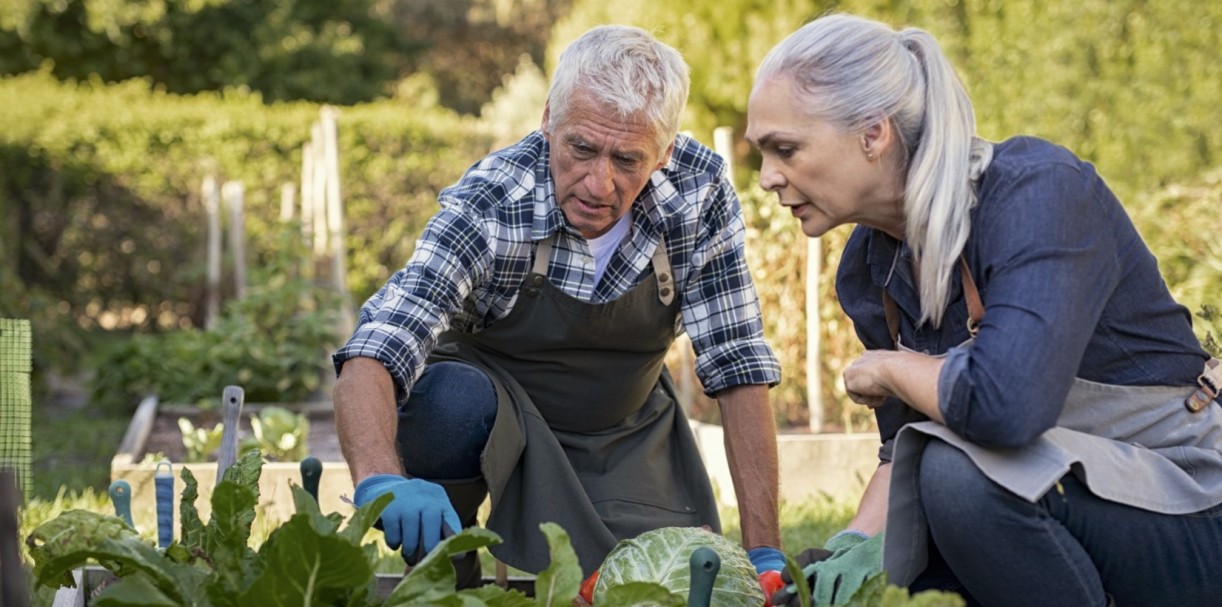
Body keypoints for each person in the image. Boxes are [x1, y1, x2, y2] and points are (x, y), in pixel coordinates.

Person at [746, 13, 1222, 607]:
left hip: (1187, 496)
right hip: (1060, 498)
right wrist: (845, 558)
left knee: (956, 480)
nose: (767, 177)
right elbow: (905, 452)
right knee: (898, 551)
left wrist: (890, 368)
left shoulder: (1038, 193)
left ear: (873, 133)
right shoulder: (868, 269)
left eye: (784, 149)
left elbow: (1006, 405)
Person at [331, 24, 787, 590]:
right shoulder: (495, 201)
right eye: (581, 149)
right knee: (446, 403)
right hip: (497, 418)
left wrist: (766, 551)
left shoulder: (698, 191)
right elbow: (379, 344)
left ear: (665, 152)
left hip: (625, 428)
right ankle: (446, 576)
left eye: (627, 159)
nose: (599, 183)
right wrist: (381, 479)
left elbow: (737, 362)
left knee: (649, 589)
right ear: (549, 118)